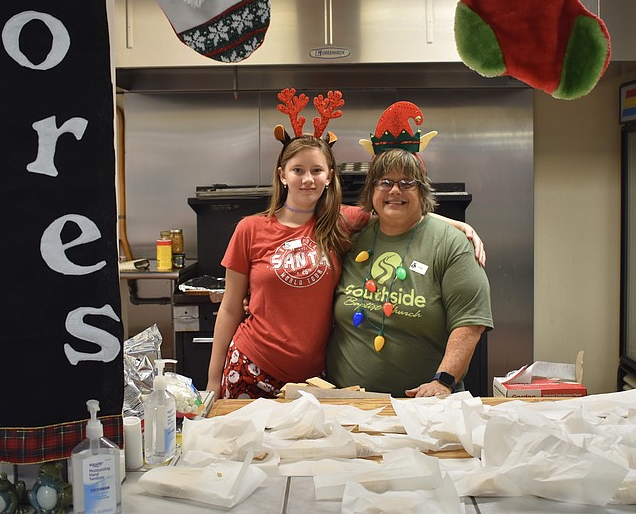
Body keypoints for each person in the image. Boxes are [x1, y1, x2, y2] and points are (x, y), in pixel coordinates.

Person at [207, 90, 486, 399]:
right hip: (251, 364)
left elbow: (395, 211)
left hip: (314, 380)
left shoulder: (339, 222)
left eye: (317, 170)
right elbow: (230, 309)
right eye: (298, 170)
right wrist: (211, 382)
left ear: (329, 177)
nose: (307, 179)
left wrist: (456, 225)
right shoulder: (250, 228)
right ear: (282, 175)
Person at [326, 147, 494, 398]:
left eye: (407, 182)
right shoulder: (350, 236)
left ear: (422, 191)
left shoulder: (451, 244)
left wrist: (443, 381)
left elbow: (470, 323)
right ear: (371, 190)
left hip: (422, 406)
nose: (394, 190)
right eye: (384, 182)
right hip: (348, 404)